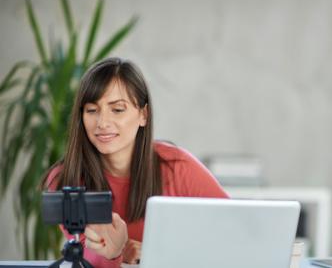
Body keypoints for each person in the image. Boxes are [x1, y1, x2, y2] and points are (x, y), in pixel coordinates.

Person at [41, 57, 229, 267]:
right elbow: (86, 260)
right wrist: (114, 253)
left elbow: (234, 230)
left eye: (117, 109)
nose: (102, 123)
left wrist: (157, 253)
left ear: (143, 115)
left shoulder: (177, 166)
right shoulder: (65, 179)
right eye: (92, 110)